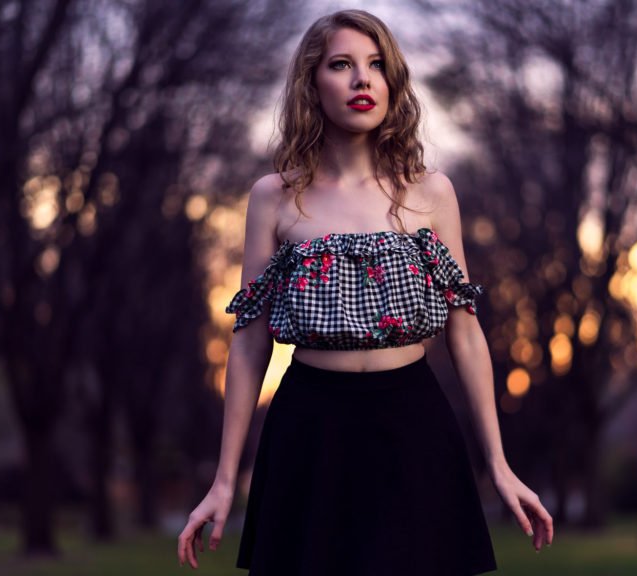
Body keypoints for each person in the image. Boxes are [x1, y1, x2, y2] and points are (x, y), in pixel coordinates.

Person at [177, 9, 553, 575]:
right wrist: (225, 481)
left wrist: (498, 463)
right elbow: (250, 344)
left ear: (392, 82)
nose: (362, 79)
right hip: (310, 434)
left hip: (413, 426)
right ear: (312, 83)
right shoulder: (273, 198)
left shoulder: (432, 193)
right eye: (342, 65)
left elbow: (465, 334)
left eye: (376, 65)